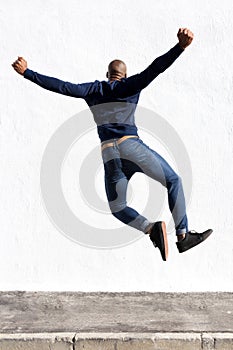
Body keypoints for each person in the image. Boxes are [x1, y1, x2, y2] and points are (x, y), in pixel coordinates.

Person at [12, 28, 212, 261]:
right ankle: (183, 235)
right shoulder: (131, 85)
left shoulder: (93, 89)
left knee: (118, 208)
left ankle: (150, 228)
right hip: (132, 148)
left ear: (107, 74)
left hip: (109, 154)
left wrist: (27, 72)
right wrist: (180, 47)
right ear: (124, 76)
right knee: (173, 180)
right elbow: (156, 68)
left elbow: (62, 86)